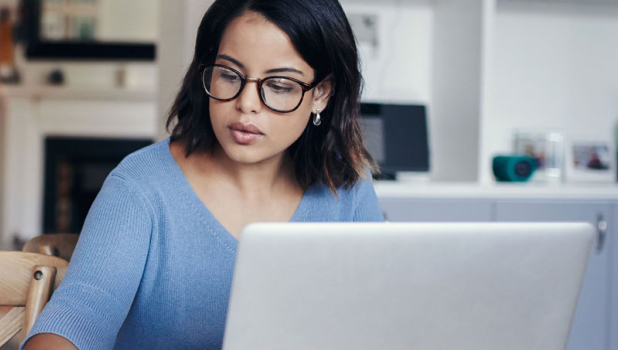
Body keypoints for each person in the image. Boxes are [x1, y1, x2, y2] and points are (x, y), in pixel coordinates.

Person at [22, 1, 382, 349]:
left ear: (321, 93)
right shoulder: (141, 186)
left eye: (279, 85)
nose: (246, 104)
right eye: (229, 75)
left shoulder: (347, 188)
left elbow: (379, 321)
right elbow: (79, 318)